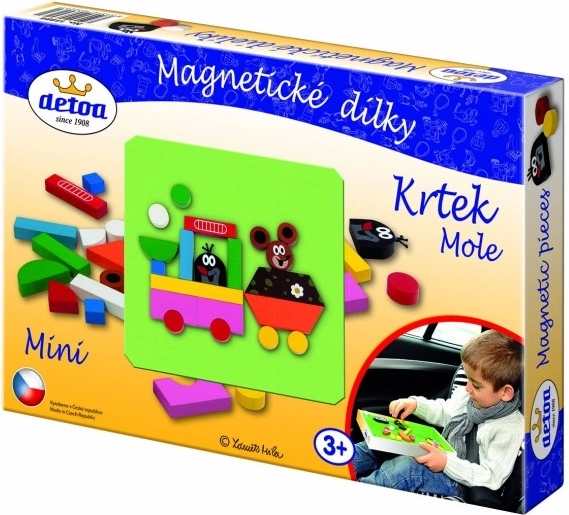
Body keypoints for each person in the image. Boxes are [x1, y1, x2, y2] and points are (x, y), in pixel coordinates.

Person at [353, 329, 523, 501]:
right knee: (380, 444)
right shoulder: (470, 397)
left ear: (505, 392)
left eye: (476, 385)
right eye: (467, 379)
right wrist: (416, 405)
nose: (467, 388)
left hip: (461, 484)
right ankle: (340, 463)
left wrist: (446, 463)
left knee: (409, 469)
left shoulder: (509, 429)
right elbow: (445, 412)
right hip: (443, 454)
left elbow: (491, 477)